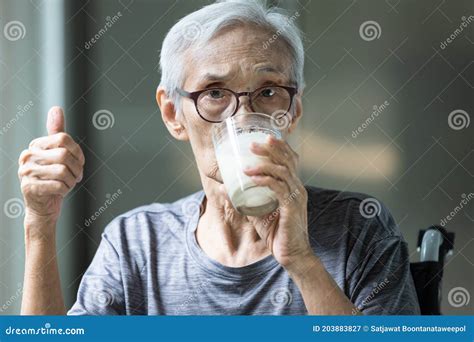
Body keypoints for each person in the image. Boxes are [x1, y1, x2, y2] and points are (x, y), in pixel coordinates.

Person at [18, 0, 420, 315]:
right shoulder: (137, 242)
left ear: (293, 111)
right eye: (214, 93)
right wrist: (40, 222)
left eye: (267, 92)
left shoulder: (359, 226)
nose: (243, 117)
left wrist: (300, 260)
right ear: (173, 113)